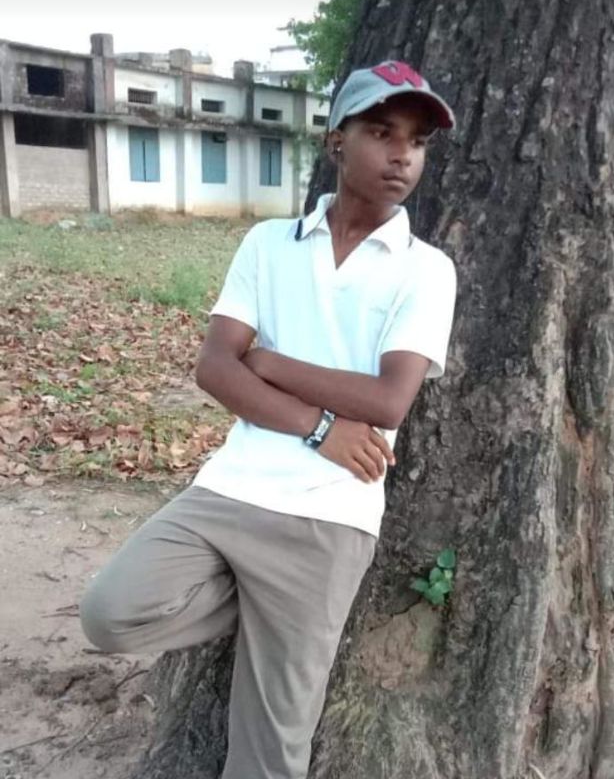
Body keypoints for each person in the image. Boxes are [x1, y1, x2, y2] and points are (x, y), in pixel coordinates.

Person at [79, 59, 458, 779]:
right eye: (382, 132)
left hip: (329, 517)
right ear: (336, 140)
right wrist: (320, 427)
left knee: (270, 750)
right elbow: (215, 368)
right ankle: (257, 606)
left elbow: (387, 402)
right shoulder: (267, 243)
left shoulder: (426, 268)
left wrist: (271, 362)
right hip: (232, 489)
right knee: (111, 611)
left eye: (417, 141)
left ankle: (273, 615)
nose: (403, 155)